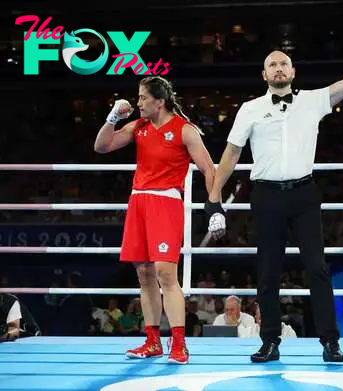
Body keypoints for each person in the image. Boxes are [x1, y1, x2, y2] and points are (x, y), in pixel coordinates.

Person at [205, 44, 343, 363]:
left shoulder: (313, 101)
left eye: (284, 63)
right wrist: (214, 197)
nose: (279, 68)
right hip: (266, 195)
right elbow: (230, 155)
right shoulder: (250, 108)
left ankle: (330, 341)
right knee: (268, 272)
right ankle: (269, 340)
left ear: (293, 71)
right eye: (273, 65)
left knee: (317, 269)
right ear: (264, 74)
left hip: (304, 195)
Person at [94, 76, 216, 364]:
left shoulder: (185, 130)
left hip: (166, 202)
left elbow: (209, 168)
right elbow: (101, 146)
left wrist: (214, 207)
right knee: (144, 274)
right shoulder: (139, 127)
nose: (138, 103)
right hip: (138, 201)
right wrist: (112, 117)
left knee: (165, 273)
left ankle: (179, 344)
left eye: (143, 98)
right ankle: (152, 341)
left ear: (159, 101)